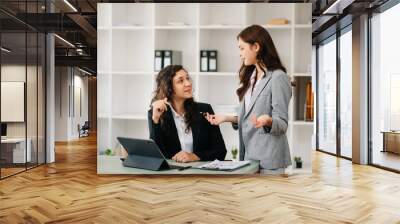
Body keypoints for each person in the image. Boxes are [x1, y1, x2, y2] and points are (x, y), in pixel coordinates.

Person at [205, 24, 292, 173]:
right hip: (249, 158)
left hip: (270, 161)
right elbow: (248, 117)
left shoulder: (278, 78)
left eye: (241, 48)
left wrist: (268, 121)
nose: (239, 53)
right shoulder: (251, 78)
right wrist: (225, 118)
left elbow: (282, 124)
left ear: (256, 47)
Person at [148, 65, 227, 163]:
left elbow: (220, 151)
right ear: (168, 87)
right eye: (181, 81)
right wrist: (155, 120)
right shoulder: (156, 113)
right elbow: (156, 156)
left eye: (187, 78)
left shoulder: (204, 110)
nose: (188, 83)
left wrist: (194, 156)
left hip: (201, 173)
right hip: (171, 174)